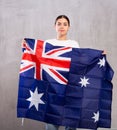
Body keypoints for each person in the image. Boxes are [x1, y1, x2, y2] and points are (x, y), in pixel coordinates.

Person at [45, 15, 79, 130]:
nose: (62, 26)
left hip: (70, 88)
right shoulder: (48, 43)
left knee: (71, 122)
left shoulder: (74, 44)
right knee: (51, 123)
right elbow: (37, 58)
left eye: (65, 24)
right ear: (54, 26)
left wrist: (99, 55)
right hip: (53, 88)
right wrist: (26, 47)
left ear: (69, 27)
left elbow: (81, 62)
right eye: (59, 23)